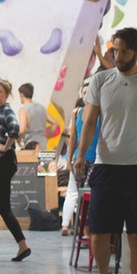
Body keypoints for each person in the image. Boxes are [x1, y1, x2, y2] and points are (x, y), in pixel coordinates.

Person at [74, 27, 137, 274]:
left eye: (124, 51)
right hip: (105, 166)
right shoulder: (101, 80)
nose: (118, 56)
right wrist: (80, 155)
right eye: (115, 50)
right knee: (99, 235)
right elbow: (89, 121)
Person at [0, 79, 31, 262]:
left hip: (3, 163)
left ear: (6, 95)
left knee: (3, 208)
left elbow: (15, 129)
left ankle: (23, 245)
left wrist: (5, 147)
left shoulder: (6, 111)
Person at [61, 82, 100, 237]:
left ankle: (90, 232)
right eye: (84, 93)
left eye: (89, 92)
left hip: (96, 160)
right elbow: (73, 138)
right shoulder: (77, 112)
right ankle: (82, 230)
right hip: (80, 158)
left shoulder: (101, 113)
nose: (87, 96)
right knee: (80, 196)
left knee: (93, 195)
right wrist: (69, 159)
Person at [17, 82, 56, 150]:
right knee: (45, 160)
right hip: (43, 145)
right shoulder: (42, 108)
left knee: (29, 160)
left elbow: (22, 130)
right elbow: (55, 123)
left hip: (31, 145)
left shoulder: (23, 110)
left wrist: (18, 140)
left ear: (21, 95)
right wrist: (46, 137)